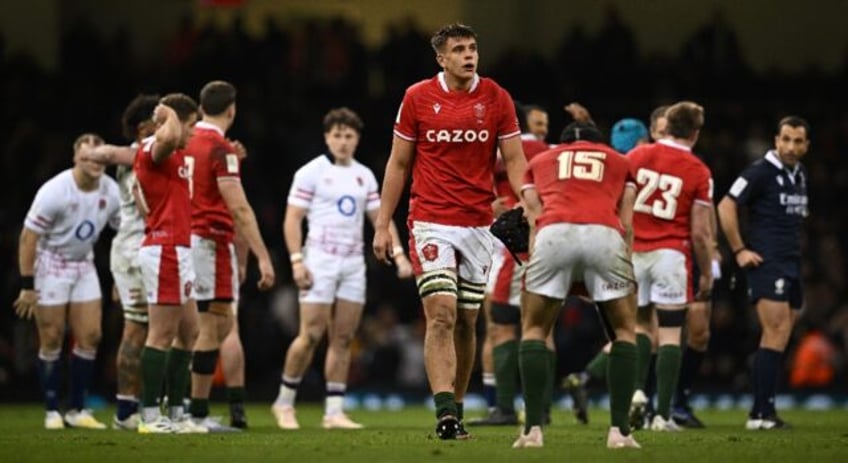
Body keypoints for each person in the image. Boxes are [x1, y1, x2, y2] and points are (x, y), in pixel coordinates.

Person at [372, 22, 528, 440]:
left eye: (472, 48)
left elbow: (514, 159)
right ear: (441, 58)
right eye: (459, 49)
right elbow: (398, 163)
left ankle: (456, 410)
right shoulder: (417, 97)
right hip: (430, 220)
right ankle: (444, 413)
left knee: (467, 320)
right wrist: (383, 223)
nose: (468, 55)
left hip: (479, 223)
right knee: (440, 313)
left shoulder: (496, 97)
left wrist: (528, 200)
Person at [272, 107, 412, 430]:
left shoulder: (364, 175)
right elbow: (292, 218)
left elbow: (381, 219)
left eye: (349, 136)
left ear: (357, 139)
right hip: (319, 259)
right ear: (326, 137)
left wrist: (400, 256)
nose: (343, 141)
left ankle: (333, 411)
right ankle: (284, 402)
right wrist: (296, 260)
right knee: (310, 335)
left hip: (351, 263)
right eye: (337, 135)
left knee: (344, 337)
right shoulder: (311, 172)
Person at [513, 121, 640, 449]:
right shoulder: (619, 161)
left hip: (553, 232)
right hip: (604, 234)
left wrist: (535, 261)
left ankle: (531, 432)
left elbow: (532, 215)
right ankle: (620, 433)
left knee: (534, 330)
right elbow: (626, 223)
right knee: (625, 331)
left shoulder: (540, 162)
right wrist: (623, 267)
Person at [184, 80, 276, 431]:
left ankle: (180, 409)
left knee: (192, 328)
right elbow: (239, 208)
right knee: (217, 326)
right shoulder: (219, 147)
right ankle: (197, 414)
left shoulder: (184, 140)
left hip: (182, 241)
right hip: (209, 241)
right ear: (232, 110)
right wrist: (263, 257)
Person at [14, 133, 120, 430]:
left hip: (83, 263)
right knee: (51, 337)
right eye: (87, 158)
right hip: (51, 262)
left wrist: (123, 274)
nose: (94, 163)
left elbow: (123, 231)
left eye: (99, 158)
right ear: (76, 159)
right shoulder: (55, 191)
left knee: (91, 336)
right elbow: (28, 238)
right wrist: (27, 285)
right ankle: (51, 410)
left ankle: (77, 408)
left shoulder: (111, 191)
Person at [717, 115, 811, 430]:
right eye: (786, 139)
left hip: (791, 262)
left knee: (782, 334)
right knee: (774, 330)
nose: (791, 146)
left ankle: (764, 408)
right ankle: (760, 414)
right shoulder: (760, 172)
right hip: (767, 262)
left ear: (806, 145)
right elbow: (726, 205)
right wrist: (740, 250)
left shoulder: (799, 174)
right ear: (776, 140)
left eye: (798, 141)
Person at [626, 101, 714, 432]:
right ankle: (662, 415)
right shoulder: (697, 170)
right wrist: (705, 271)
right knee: (671, 335)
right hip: (671, 256)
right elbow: (701, 233)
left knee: (640, 327)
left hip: (635, 254)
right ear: (694, 132)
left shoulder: (635, 157)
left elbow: (620, 204)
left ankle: (637, 393)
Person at [469, 102, 549, 427]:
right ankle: (541, 408)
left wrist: (500, 205)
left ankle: (503, 408)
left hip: (514, 250)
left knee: (501, 327)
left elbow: (475, 170)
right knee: (540, 329)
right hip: (543, 246)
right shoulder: (547, 150)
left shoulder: (517, 146)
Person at [133, 93, 205, 433]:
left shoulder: (174, 153)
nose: (192, 133)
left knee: (189, 331)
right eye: (191, 125)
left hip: (179, 250)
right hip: (164, 249)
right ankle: (148, 416)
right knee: (161, 334)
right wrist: (167, 113)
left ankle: (176, 413)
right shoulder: (153, 148)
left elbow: (176, 138)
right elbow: (171, 135)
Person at [110, 94, 159, 430]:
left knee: (151, 327)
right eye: (162, 119)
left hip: (133, 249)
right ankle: (130, 412)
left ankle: (136, 409)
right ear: (145, 128)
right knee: (142, 327)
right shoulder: (139, 158)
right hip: (140, 247)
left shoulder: (137, 157)